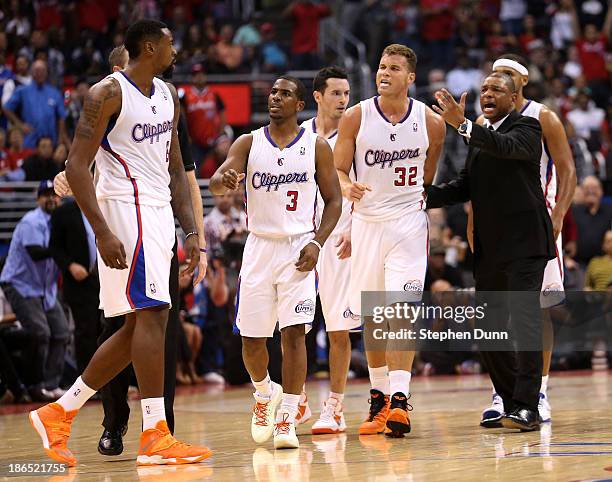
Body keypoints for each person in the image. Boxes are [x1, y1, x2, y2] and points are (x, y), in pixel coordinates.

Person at [28, 20, 212, 466]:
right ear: (149, 47)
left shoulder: (168, 96)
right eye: (170, 43)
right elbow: (75, 167)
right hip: (124, 213)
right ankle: (154, 434)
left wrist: (190, 230)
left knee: (136, 328)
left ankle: (59, 412)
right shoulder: (106, 93)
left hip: (157, 214)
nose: (175, 49)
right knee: (153, 316)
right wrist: (103, 231)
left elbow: (174, 171)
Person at [210, 75, 342, 449]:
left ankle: (287, 415)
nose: (275, 98)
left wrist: (318, 242)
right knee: (252, 341)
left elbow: (334, 201)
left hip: (299, 246)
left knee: (294, 334)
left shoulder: (315, 146)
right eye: (273, 92)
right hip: (259, 247)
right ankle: (264, 393)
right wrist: (224, 179)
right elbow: (220, 181)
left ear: (300, 105)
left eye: (285, 94)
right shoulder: (247, 142)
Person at [426, 72, 556, 431]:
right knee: (489, 327)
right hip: (491, 245)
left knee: (525, 321)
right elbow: (467, 184)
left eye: (497, 89)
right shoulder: (478, 136)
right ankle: (510, 399)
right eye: (484, 88)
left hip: (527, 242)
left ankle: (529, 405)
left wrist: (463, 125)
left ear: (514, 98)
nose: (488, 93)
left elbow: (508, 148)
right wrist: (424, 196)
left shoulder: (527, 127)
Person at [334, 44, 445, 438]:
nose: (384, 73)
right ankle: (379, 397)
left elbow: (427, 177)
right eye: (382, 66)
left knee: (400, 310)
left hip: (408, 223)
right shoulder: (355, 117)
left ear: (410, 77)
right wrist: (348, 187)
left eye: (394, 68)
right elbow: (338, 173)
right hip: (366, 222)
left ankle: (400, 399)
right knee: (374, 314)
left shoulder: (431, 122)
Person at [476, 53, 577, 426]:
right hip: (498, 226)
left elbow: (567, 171)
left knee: (537, 307)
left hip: (537, 219)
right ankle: (504, 394)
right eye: (492, 78)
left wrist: (559, 215)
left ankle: (539, 393)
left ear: (519, 85)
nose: (496, 84)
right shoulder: (483, 123)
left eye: (506, 78)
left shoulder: (542, 117)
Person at [294, 66, 356, 434]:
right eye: (336, 93)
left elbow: (361, 189)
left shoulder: (355, 136)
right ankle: (298, 401)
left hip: (338, 241)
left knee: (339, 328)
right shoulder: (299, 136)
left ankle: (335, 407)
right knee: (294, 326)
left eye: (346, 94)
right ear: (317, 96)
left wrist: (353, 231)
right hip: (302, 239)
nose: (343, 101)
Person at [0, 180, 69, 402]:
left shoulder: (59, 222)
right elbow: (35, 252)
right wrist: (65, 253)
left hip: (44, 288)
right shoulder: (32, 221)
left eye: (54, 194)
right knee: (40, 333)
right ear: (38, 198)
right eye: (46, 194)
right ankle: (34, 385)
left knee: (61, 331)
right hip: (20, 285)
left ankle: (51, 385)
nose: (51, 198)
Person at [3, 59, 69, 149]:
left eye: (42, 70)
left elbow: (61, 118)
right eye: (37, 70)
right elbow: (7, 108)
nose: (40, 73)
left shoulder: (55, 93)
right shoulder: (22, 90)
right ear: (32, 72)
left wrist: (60, 138)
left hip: (50, 143)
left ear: (46, 73)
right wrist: (19, 125)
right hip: (29, 141)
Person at [179, 63, 231, 174]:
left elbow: (222, 114)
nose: (199, 77)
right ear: (192, 78)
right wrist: (186, 136)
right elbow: (182, 117)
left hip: (213, 140)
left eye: (201, 74)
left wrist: (221, 134)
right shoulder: (186, 96)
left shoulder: (214, 94)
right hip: (195, 141)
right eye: (196, 75)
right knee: (194, 169)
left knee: (222, 160)